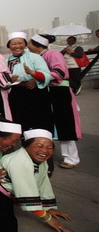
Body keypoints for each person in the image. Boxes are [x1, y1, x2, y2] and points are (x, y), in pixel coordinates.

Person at [28, 34, 82, 169]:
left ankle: (72, 158)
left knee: (66, 123)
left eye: (29, 43)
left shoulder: (53, 54)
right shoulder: (40, 56)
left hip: (60, 91)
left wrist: (38, 77)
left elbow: (59, 72)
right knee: (57, 124)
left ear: (36, 45)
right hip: (50, 91)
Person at [6, 32, 53, 134]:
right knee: (21, 122)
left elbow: (47, 74)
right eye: (13, 44)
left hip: (35, 93)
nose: (17, 46)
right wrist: (9, 79)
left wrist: (35, 78)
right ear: (9, 46)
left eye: (20, 43)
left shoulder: (35, 57)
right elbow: (3, 78)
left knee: (39, 122)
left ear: (25, 44)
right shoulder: (7, 61)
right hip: (16, 95)